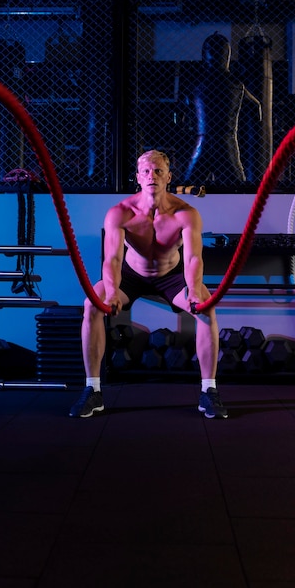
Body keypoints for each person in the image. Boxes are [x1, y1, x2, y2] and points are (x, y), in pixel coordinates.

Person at [69, 149, 227, 419]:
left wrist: (193, 291)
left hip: (173, 275)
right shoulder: (120, 213)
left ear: (168, 177)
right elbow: (112, 259)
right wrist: (111, 291)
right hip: (131, 274)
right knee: (92, 305)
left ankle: (208, 392)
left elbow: (192, 260)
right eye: (146, 171)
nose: (151, 175)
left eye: (158, 171)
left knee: (206, 308)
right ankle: (92, 391)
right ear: (138, 178)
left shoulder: (186, 213)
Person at [183, 31, 262, 187]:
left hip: (203, 140)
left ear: (205, 55)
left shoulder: (196, 84)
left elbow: (185, 106)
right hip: (226, 141)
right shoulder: (236, 84)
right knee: (237, 187)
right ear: (226, 56)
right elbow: (256, 106)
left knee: (188, 186)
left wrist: (189, 118)